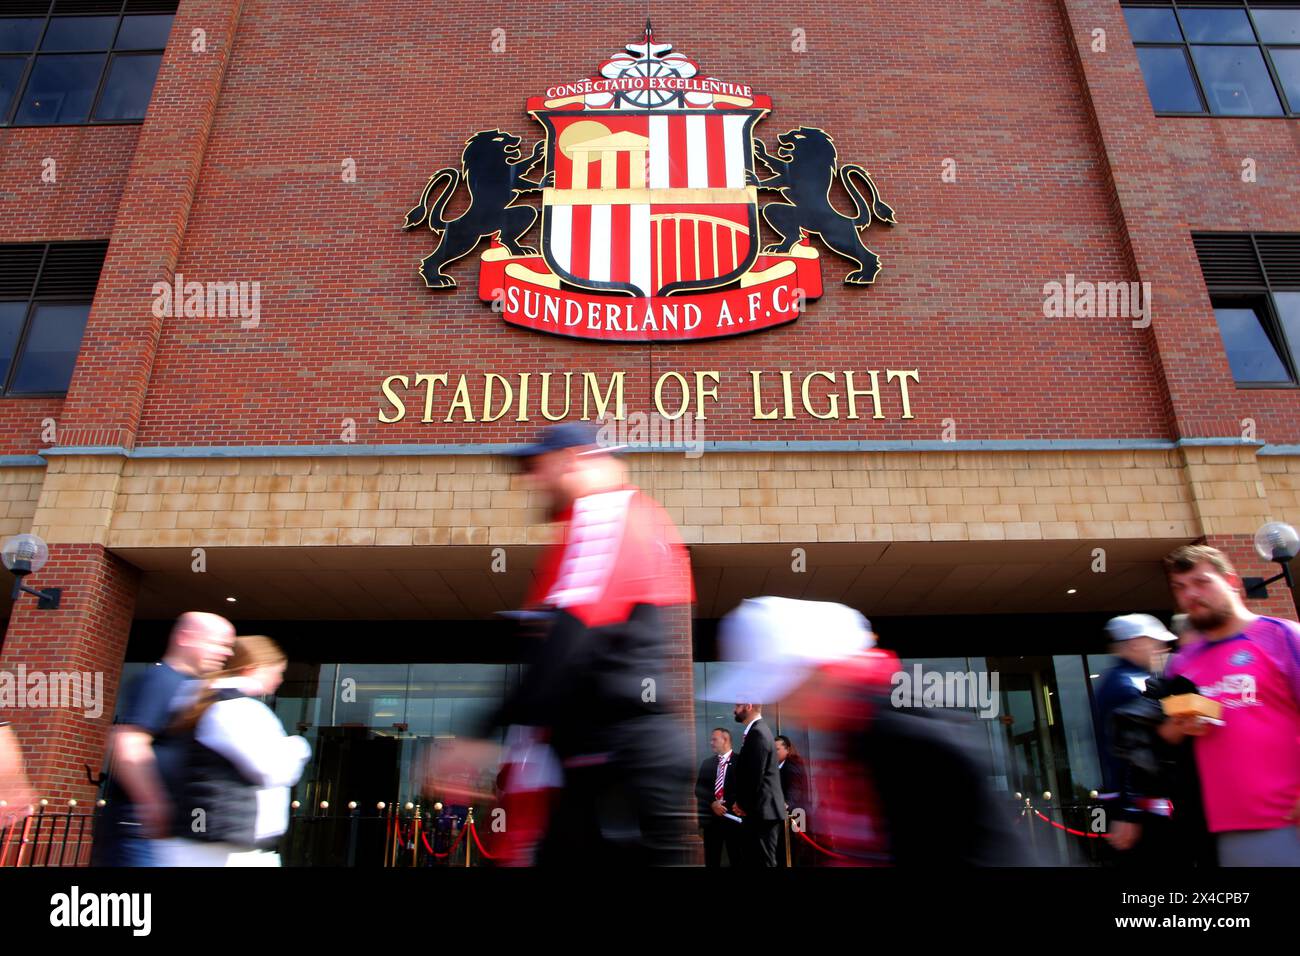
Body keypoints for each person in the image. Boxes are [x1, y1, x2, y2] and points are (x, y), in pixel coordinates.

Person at [429, 422, 696, 865]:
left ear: (570, 459)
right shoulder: (614, 519)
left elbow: (570, 641)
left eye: (536, 467)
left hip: (620, 760)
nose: (530, 481)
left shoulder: (606, 512)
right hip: (608, 756)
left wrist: (479, 733)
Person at [1159, 544, 1300, 867]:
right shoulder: (1183, 662)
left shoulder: (1282, 636)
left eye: (1201, 582)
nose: (1191, 594)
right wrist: (1180, 726)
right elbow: (1167, 733)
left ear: (1231, 580)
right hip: (1225, 831)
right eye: (1180, 588)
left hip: (1288, 821)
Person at [92, 611, 235, 866]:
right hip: (140, 830)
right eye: (219, 643)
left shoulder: (191, 688)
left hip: (165, 833)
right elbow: (128, 743)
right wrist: (154, 805)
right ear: (186, 637)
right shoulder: (161, 680)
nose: (227, 653)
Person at [159, 635, 312, 866]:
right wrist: (298, 746)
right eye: (277, 671)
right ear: (254, 667)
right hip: (225, 849)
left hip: (209, 841)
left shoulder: (201, 698)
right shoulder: (237, 708)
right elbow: (275, 770)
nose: (280, 679)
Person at [1093, 614, 1183, 865]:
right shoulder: (1128, 685)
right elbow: (1132, 750)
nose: (1162, 648)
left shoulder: (1125, 681)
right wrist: (1129, 811)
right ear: (1134, 643)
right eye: (1154, 641)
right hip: (1143, 805)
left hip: (1138, 803)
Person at [728, 702, 785, 866]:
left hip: (762, 813)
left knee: (762, 862)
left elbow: (754, 775)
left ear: (748, 706)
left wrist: (742, 804)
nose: (734, 710)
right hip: (760, 811)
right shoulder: (758, 731)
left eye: (737, 706)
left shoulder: (758, 733)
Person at [694, 727, 740, 867]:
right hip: (712, 821)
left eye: (714, 739)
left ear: (725, 740)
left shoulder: (741, 762)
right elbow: (699, 789)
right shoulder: (708, 763)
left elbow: (746, 788)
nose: (711, 742)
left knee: (737, 857)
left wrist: (728, 804)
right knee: (712, 859)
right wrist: (713, 803)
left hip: (734, 820)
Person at [775, 734, 808, 865]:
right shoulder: (779, 766)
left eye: (777, 749)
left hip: (795, 815)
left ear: (787, 749)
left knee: (792, 852)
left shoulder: (792, 764)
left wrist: (787, 803)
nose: (773, 752)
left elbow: (795, 789)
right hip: (788, 815)